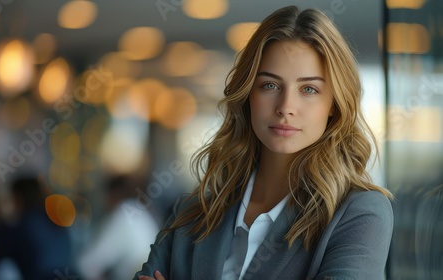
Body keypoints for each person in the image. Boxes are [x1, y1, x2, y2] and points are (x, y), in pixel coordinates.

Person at [134, 5, 393, 280]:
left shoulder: (361, 214)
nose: (285, 107)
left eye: (309, 89)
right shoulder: (193, 211)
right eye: (270, 85)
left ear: (334, 103)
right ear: (248, 94)